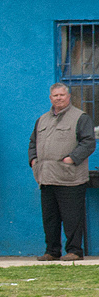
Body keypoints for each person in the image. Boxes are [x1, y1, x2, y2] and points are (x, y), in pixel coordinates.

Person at [29, 83, 96, 261]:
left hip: (70, 178)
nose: (58, 98)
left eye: (62, 95)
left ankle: (74, 251)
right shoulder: (42, 119)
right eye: (55, 95)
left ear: (68, 97)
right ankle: (52, 251)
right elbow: (32, 142)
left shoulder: (80, 117)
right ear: (50, 98)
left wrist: (72, 158)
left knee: (72, 217)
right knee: (50, 218)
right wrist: (33, 161)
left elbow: (88, 143)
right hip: (46, 177)